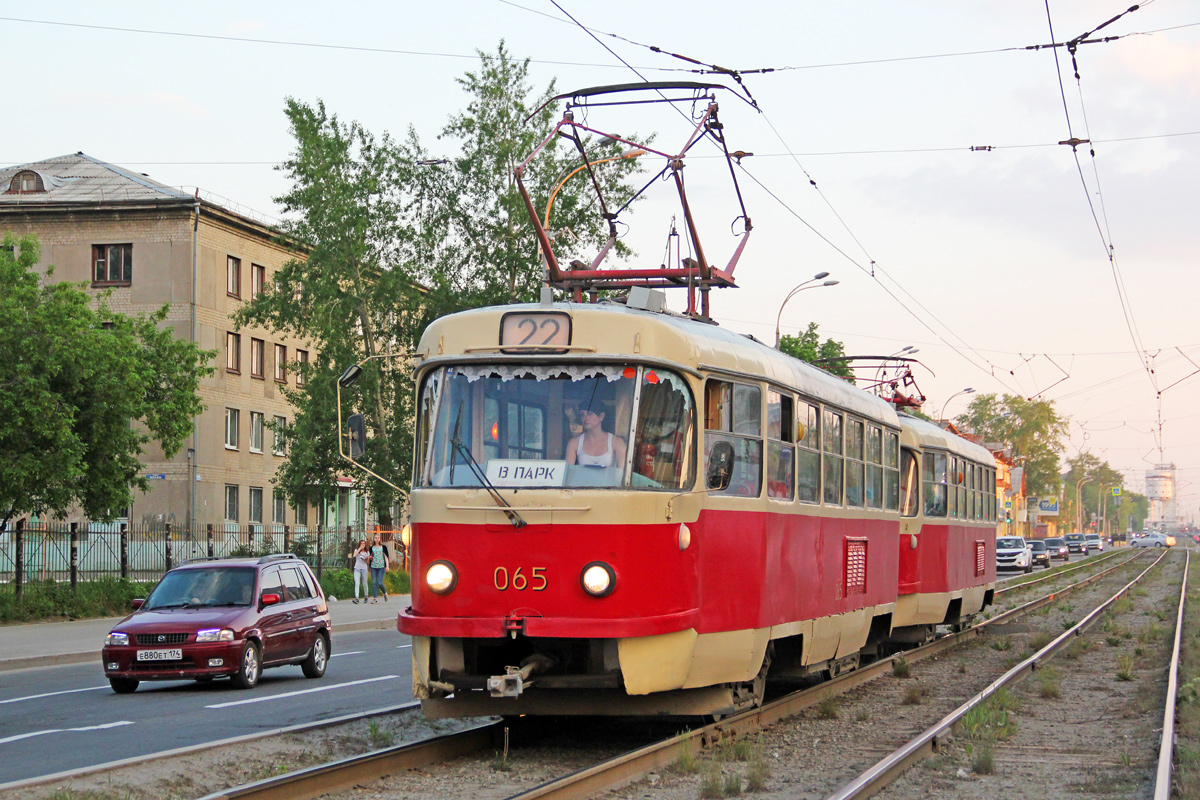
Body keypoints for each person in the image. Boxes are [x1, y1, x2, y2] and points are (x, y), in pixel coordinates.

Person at [565, 401, 627, 469]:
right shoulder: (574, 443)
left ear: (601, 416)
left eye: (590, 414)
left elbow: (624, 473)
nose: (585, 418)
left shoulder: (616, 442)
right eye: (582, 414)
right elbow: (567, 472)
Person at [368, 532, 390, 604]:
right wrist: (370, 558)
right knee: (374, 582)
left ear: (380, 539)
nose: (377, 539)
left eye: (378, 538)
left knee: (380, 583)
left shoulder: (383, 547)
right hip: (373, 566)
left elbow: (386, 557)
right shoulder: (371, 548)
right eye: (375, 538)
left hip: (381, 566)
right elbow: (369, 556)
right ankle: (375, 598)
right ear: (374, 539)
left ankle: (385, 593)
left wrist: (387, 566)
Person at [349, 538, 370, 604]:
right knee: (357, 583)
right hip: (357, 568)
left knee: (365, 583)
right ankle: (357, 598)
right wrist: (359, 549)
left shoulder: (367, 552)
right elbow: (354, 555)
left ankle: (366, 596)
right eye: (361, 543)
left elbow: (368, 562)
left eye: (364, 543)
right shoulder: (356, 550)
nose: (363, 545)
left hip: (364, 568)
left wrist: (366, 559)